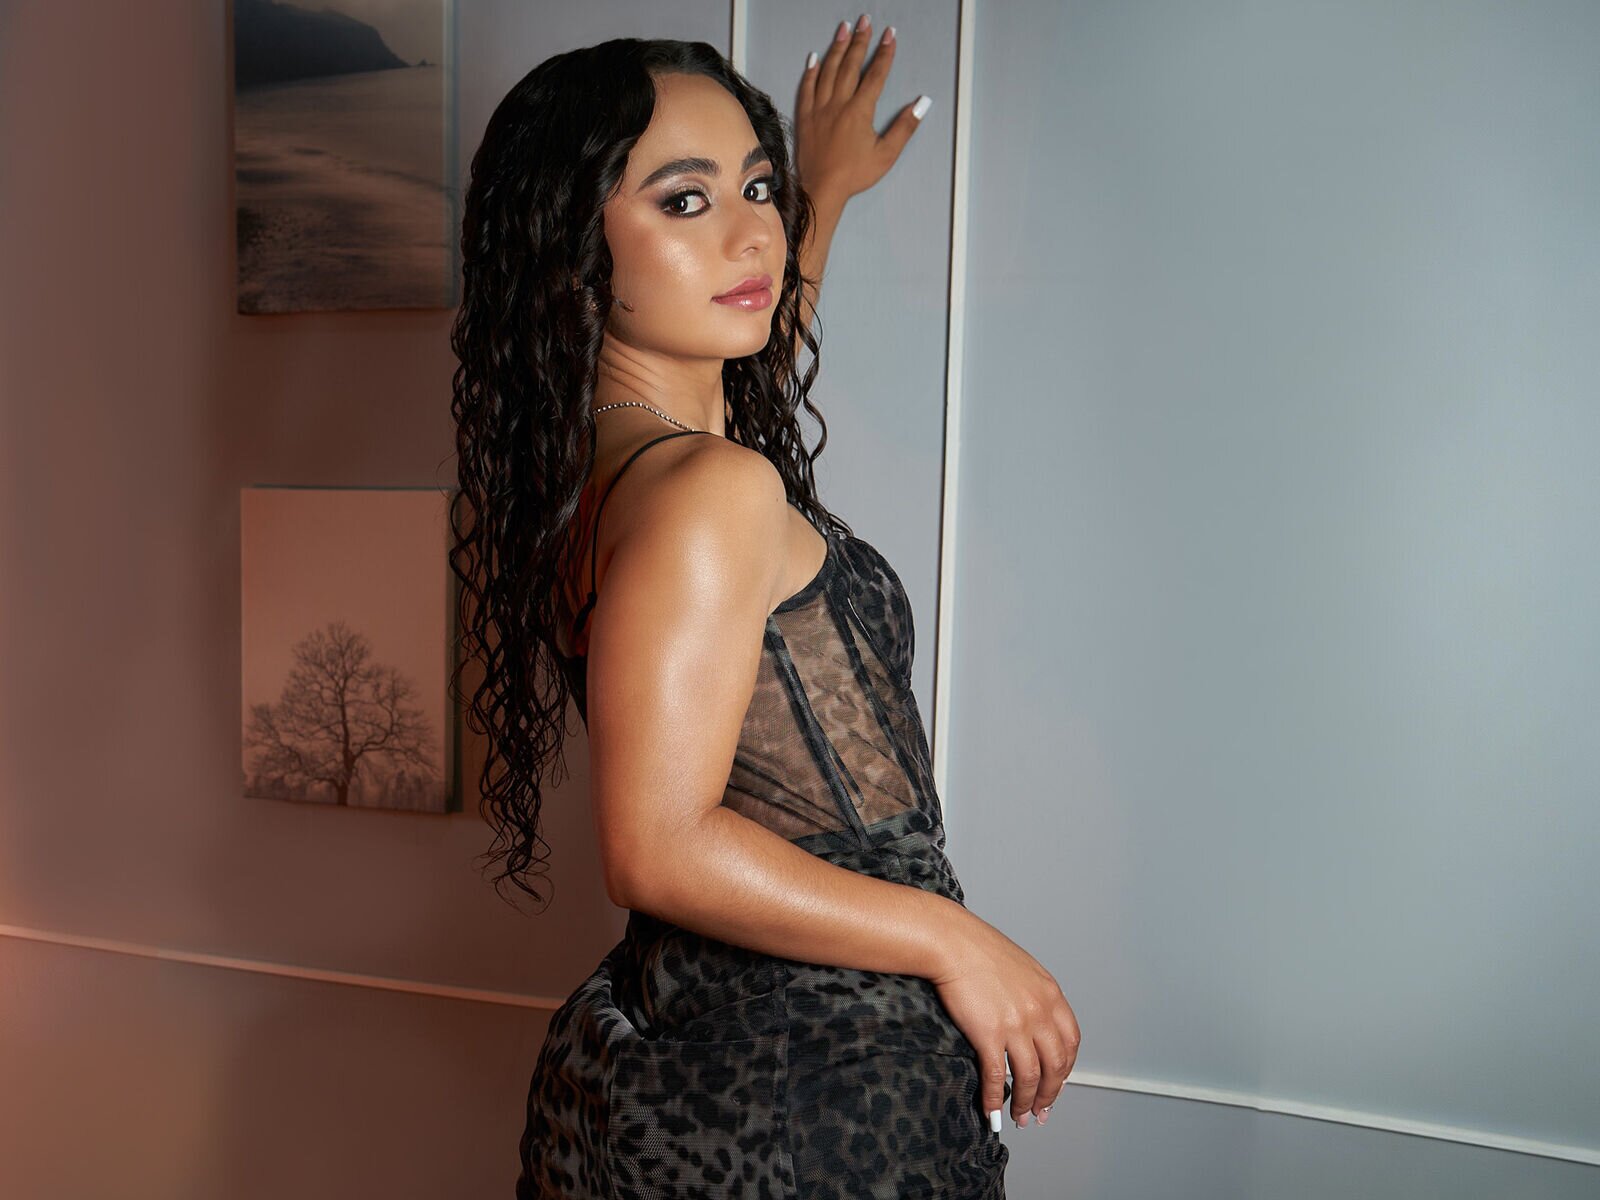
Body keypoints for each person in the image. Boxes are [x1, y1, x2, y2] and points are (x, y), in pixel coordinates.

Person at [447, 16, 1078, 1198]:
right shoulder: (709, 491)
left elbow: (748, 358)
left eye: (756, 188)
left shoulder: (604, 470)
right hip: (819, 1077)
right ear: (573, 245)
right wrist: (959, 940)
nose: (751, 233)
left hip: (691, 1053)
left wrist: (819, 192)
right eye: (683, 201)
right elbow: (656, 846)